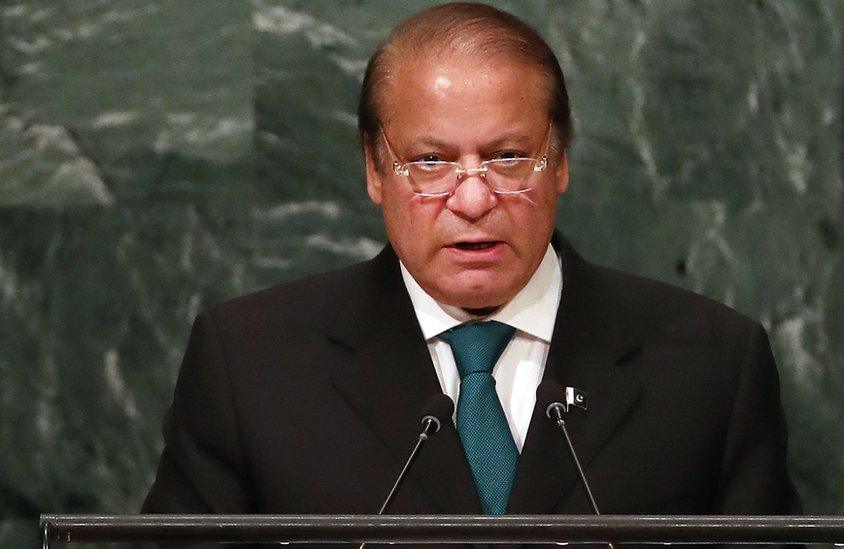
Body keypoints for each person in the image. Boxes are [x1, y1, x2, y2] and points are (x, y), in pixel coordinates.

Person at [143, 1, 800, 524]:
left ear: (562, 159)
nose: (474, 197)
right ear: (375, 169)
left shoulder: (711, 364)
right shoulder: (251, 365)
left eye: (509, 156)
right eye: (430, 161)